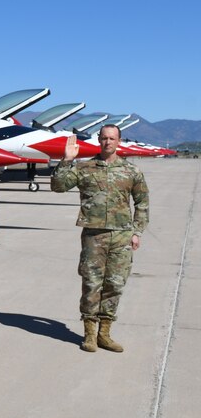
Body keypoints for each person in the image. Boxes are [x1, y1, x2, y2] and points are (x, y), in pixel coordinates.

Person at [51, 126, 149, 352]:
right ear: (99, 140)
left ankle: (105, 332)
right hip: (94, 236)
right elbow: (58, 187)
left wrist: (137, 231)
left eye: (112, 138)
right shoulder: (84, 167)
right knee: (91, 284)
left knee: (115, 284)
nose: (107, 142)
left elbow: (142, 202)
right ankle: (89, 334)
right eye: (104, 138)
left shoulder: (130, 171)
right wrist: (66, 160)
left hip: (122, 235)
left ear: (119, 141)